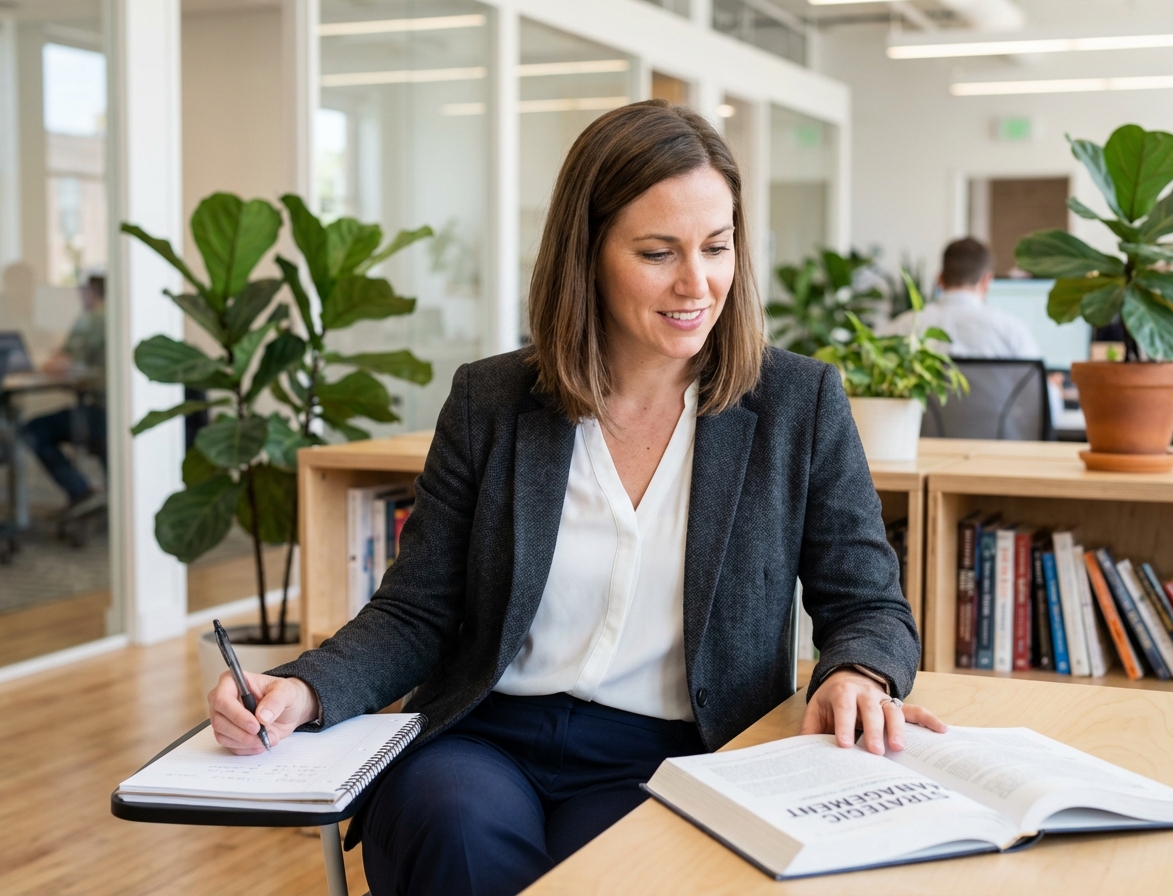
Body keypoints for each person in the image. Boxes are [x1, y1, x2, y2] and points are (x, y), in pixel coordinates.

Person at [208, 100, 945, 896]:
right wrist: (307, 687)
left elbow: (869, 604)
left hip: (676, 751)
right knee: (451, 828)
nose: (698, 284)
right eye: (658, 252)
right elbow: (416, 612)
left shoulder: (799, 405)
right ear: (585, 255)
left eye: (718, 247)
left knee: (619, 865)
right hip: (487, 738)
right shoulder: (489, 401)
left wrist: (858, 673)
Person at [21, 274, 107, 513]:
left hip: (101, 412)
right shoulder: (124, 314)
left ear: (90, 291)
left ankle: (79, 490)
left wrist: (45, 362)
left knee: (33, 430)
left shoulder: (94, 319)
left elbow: (61, 364)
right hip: (118, 411)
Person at [881, 237, 1041, 358]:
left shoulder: (899, 328)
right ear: (987, 280)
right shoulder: (1011, 331)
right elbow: (1038, 396)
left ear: (939, 279)